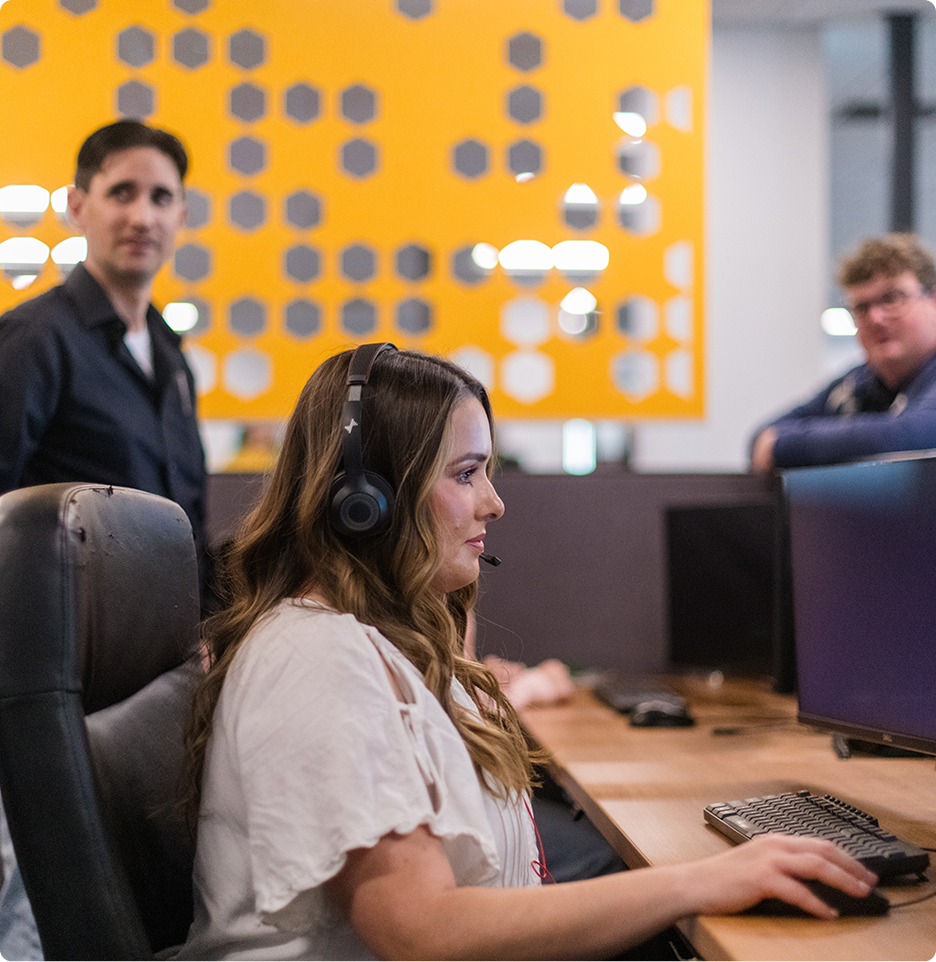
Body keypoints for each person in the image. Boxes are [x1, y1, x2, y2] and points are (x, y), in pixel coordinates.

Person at [176, 343, 876, 962]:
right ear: (368, 500)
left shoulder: (374, 644)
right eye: (467, 474)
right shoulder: (318, 660)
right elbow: (421, 932)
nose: (494, 503)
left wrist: (438, 594)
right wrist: (699, 881)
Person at [0, 118, 207, 962]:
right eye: (121, 192)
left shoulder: (169, 354)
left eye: (161, 197)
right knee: (35, 908)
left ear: (181, 218)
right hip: (41, 678)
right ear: (80, 205)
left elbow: (184, 519)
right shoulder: (38, 338)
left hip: (142, 682)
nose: (142, 215)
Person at [750, 233, 936, 473]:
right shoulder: (857, 382)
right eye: (861, 307)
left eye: (892, 298)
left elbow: (916, 435)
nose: (875, 318)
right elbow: (762, 437)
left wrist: (786, 447)